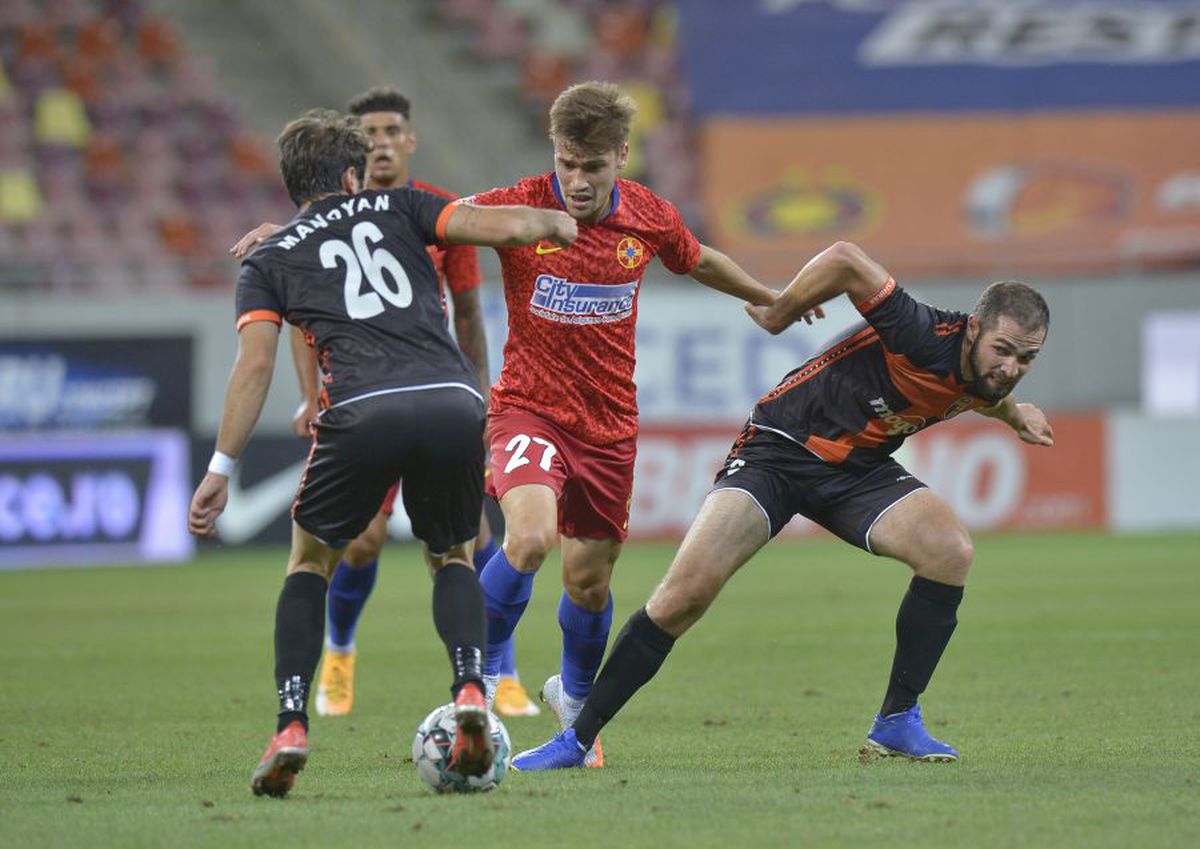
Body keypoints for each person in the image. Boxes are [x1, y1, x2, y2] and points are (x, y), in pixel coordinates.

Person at [511, 240, 1054, 770]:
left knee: (949, 552)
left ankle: (897, 719)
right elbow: (844, 259)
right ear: (975, 330)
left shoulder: (990, 377)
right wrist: (781, 311)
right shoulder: (922, 331)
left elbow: (984, 392)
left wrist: (1014, 415)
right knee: (684, 597)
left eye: (1025, 358)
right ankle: (576, 741)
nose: (1009, 368)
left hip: (855, 470)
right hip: (780, 450)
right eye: (1002, 351)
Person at [190, 108, 577, 797]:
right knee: (453, 553)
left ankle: (290, 724)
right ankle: (469, 689)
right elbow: (501, 225)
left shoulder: (269, 257)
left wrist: (221, 469)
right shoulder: (405, 204)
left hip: (363, 408)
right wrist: (557, 222)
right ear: (351, 172)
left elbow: (252, 369)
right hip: (453, 400)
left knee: (310, 559)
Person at [463, 81, 793, 767]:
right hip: (527, 406)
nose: (576, 182)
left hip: (608, 427)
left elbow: (697, 258)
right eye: (566, 163)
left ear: (621, 154)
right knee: (526, 538)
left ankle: (576, 700)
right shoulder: (520, 206)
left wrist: (768, 295)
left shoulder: (646, 215)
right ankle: (476, 679)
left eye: (592, 166)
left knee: (589, 581)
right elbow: (434, 220)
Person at [245, 87, 540, 720]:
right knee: (363, 544)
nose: (380, 141)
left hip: (432, 387)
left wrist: (482, 391)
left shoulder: (434, 212)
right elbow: (308, 325)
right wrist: (307, 398)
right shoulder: (319, 227)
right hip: (364, 395)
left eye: (389, 130)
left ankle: (499, 672)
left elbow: (466, 310)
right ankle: (343, 656)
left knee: (470, 538)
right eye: (368, 131)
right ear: (354, 150)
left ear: (409, 140)